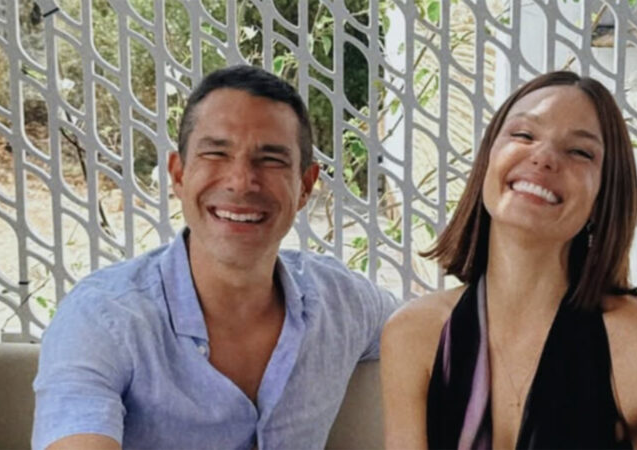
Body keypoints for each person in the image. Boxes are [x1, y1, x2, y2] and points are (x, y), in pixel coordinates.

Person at [32, 65, 398, 450]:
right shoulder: (103, 319)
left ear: (305, 186)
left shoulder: (343, 304)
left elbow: (428, 332)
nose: (241, 181)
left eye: (271, 159)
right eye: (216, 153)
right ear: (178, 174)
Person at [380, 72, 637, 449]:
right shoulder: (414, 334)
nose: (544, 158)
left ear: (603, 197)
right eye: (523, 134)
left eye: (579, 152)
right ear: (487, 162)